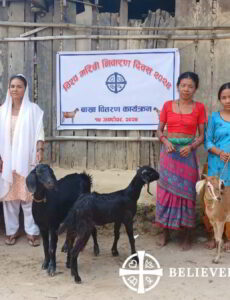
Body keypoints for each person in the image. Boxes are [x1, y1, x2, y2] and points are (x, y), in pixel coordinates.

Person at [155, 71, 206, 250]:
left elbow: (201, 136)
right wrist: (166, 141)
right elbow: (159, 131)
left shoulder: (199, 107)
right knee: (165, 193)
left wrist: (191, 147)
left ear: (195, 89)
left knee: (187, 194)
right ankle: (165, 232)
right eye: (183, 85)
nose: (186, 89)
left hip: (187, 155)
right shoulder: (167, 105)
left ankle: (187, 235)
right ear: (177, 86)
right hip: (169, 154)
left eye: (190, 86)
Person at [0, 74, 44, 246]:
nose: (15, 89)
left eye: (19, 86)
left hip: (26, 158)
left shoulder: (33, 110)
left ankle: (31, 232)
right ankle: (11, 231)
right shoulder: (2, 111)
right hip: (7, 160)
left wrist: (40, 150)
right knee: (10, 198)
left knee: (28, 197)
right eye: (12, 86)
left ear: (25, 89)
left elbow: (40, 131)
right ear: (8, 89)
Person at [204, 82, 230, 250]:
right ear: (219, 99)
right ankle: (214, 237)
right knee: (214, 200)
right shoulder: (214, 118)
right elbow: (207, 141)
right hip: (217, 165)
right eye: (224, 97)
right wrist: (219, 152)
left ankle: (228, 237)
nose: (228, 100)